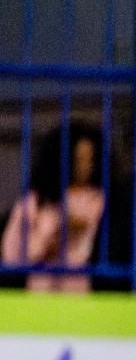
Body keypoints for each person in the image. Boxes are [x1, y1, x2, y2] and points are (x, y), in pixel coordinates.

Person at [2, 123, 105, 292]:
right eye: (80, 159)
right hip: (39, 287)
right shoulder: (36, 199)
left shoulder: (95, 198)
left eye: (91, 159)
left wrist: (54, 233)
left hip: (75, 286)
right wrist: (45, 242)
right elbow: (12, 250)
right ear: (64, 159)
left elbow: (78, 228)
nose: (88, 166)